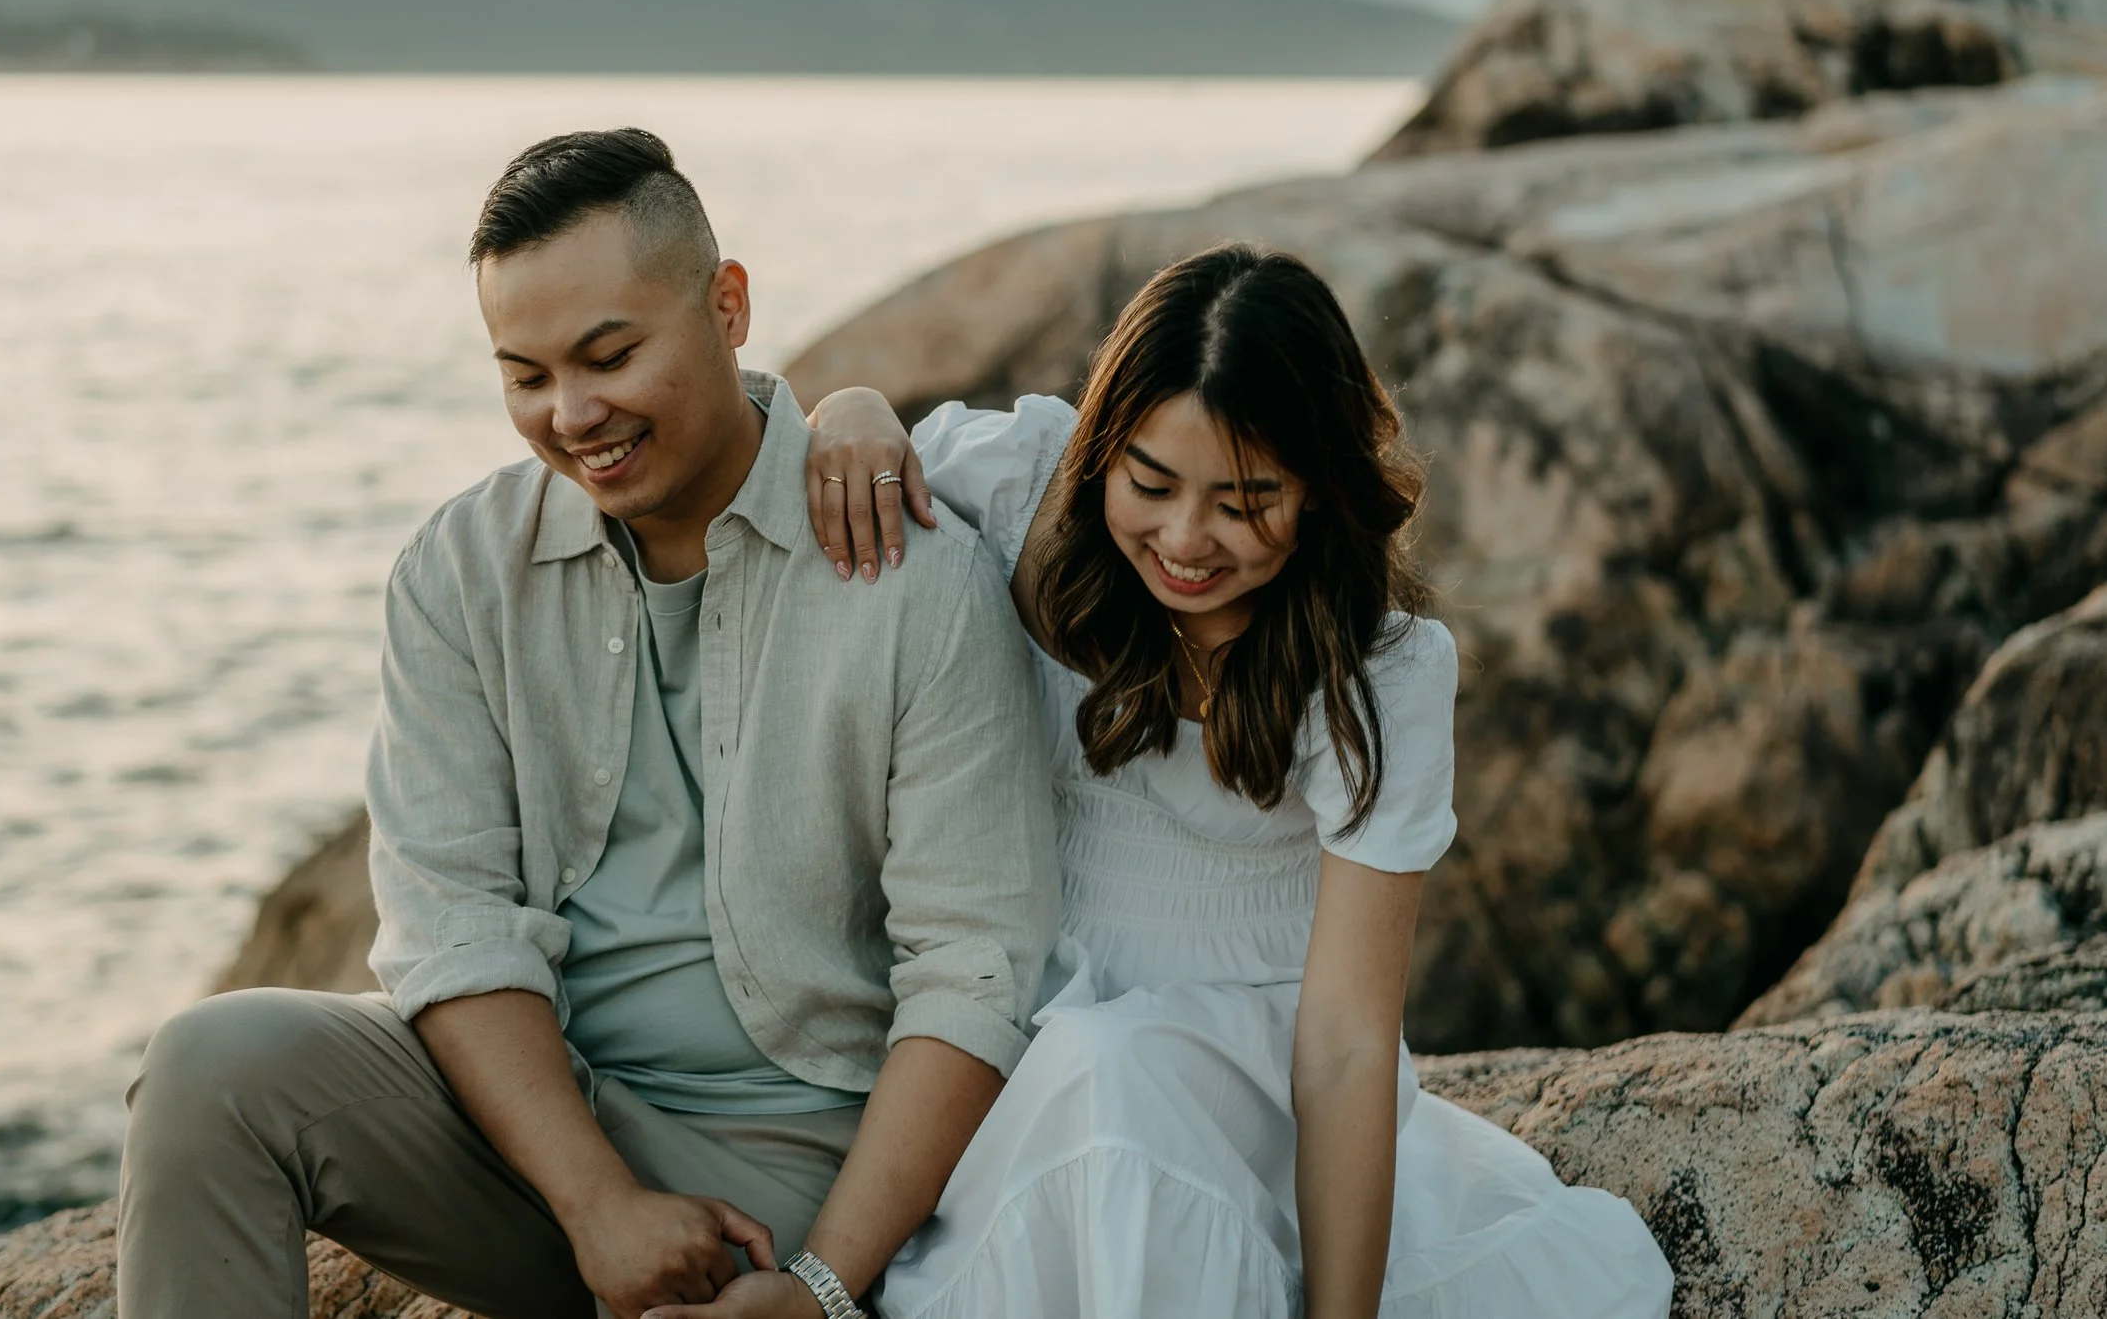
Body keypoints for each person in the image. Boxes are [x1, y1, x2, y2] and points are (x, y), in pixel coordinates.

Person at [115, 128, 1059, 1319]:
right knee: (213, 1068)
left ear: (728, 305)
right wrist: (594, 1200)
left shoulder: (908, 571)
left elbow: (972, 971)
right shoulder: (461, 570)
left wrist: (821, 1286)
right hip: (529, 1129)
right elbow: (450, 921)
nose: (571, 414)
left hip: (791, 1170)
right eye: (524, 374)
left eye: (609, 355)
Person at [804, 244, 1673, 1319]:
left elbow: (1348, 1034)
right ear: (1099, 452)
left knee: (1109, 1071)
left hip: (1252, 1072)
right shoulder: (1020, 484)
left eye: (1244, 498)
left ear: (1317, 488)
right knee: (1086, 1063)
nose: (1183, 538)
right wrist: (849, 409)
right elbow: (855, 444)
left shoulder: (1380, 673)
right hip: (1016, 1033)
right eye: (1151, 482)